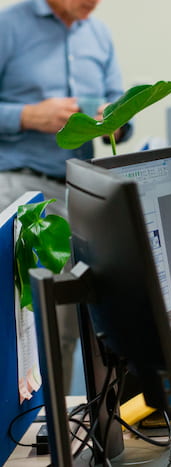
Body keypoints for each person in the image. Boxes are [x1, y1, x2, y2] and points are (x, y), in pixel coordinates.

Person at [0, 0, 131, 390]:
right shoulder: (9, 26)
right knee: (23, 324)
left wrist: (114, 120)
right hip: (20, 188)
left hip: (80, 190)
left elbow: (123, 113)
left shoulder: (99, 34)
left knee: (68, 319)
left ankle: (55, 427)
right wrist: (27, 116)